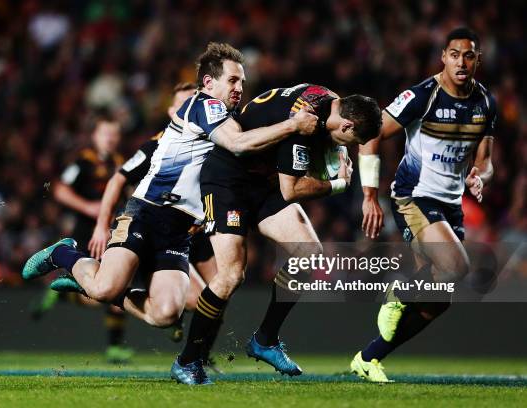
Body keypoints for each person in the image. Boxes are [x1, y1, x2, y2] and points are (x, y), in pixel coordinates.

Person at [21, 42, 318, 383]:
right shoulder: (204, 105)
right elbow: (236, 144)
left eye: (242, 82)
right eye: (233, 80)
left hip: (180, 231)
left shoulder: (231, 119)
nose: (239, 88)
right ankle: (64, 252)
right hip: (147, 213)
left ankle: (92, 284)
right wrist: (293, 125)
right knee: (103, 289)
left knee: (164, 315)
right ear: (208, 83)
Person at [174, 83, 381, 383]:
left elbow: (330, 137)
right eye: (350, 139)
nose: (346, 146)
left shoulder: (331, 99)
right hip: (227, 180)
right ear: (347, 123)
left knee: (309, 254)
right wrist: (338, 183)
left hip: (261, 180)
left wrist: (336, 149)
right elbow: (291, 189)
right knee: (231, 274)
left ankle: (265, 340)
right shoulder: (304, 122)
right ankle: (187, 360)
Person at [352, 27, 496, 382]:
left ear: (478, 60)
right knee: (455, 268)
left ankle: (368, 358)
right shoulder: (422, 96)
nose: (462, 62)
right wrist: (370, 195)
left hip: (450, 206)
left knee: (436, 302)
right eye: (455, 54)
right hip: (414, 196)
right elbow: (370, 132)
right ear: (443, 58)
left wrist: (480, 175)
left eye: (469, 55)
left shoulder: (485, 102)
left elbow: (486, 159)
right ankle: (398, 291)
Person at [87, 82, 223, 369]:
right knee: (109, 288)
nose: (194, 107)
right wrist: (101, 224)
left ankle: (198, 355)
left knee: (210, 298)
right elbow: (118, 178)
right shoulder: (159, 143)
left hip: (193, 228)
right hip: (154, 222)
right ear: (174, 111)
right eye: (186, 103)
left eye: (197, 101)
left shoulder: (220, 134)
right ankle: (189, 349)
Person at [29, 111, 133, 363]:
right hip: (86, 233)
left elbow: (128, 192)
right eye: (105, 133)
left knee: (116, 283)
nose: (110, 138)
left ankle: (114, 346)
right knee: (97, 293)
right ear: (95, 136)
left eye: (114, 134)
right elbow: (60, 190)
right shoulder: (83, 161)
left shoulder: (120, 162)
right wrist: (87, 206)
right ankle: (65, 293)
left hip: (110, 231)